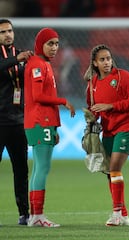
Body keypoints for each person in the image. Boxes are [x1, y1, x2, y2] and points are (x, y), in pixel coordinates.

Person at [24, 27, 75, 227]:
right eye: (50, 44)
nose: (54, 48)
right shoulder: (38, 65)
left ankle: (35, 215)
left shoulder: (43, 64)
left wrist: (55, 127)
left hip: (44, 123)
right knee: (42, 168)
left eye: (56, 44)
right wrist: (63, 101)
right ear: (40, 45)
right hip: (39, 121)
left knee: (39, 168)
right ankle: (37, 216)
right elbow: (37, 97)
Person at [83, 44, 129, 227]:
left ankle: (115, 213)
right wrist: (91, 119)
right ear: (95, 63)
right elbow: (93, 109)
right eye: (102, 60)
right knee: (110, 173)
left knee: (114, 167)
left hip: (126, 126)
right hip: (108, 130)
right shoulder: (93, 84)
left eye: (108, 58)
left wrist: (111, 106)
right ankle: (124, 214)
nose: (107, 62)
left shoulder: (123, 76)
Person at [0, 18, 32, 225]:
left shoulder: (21, 56)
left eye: (10, 31)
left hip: (19, 122)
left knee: (21, 170)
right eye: (2, 32)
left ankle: (24, 213)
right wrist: (17, 59)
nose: (8, 35)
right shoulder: (14, 58)